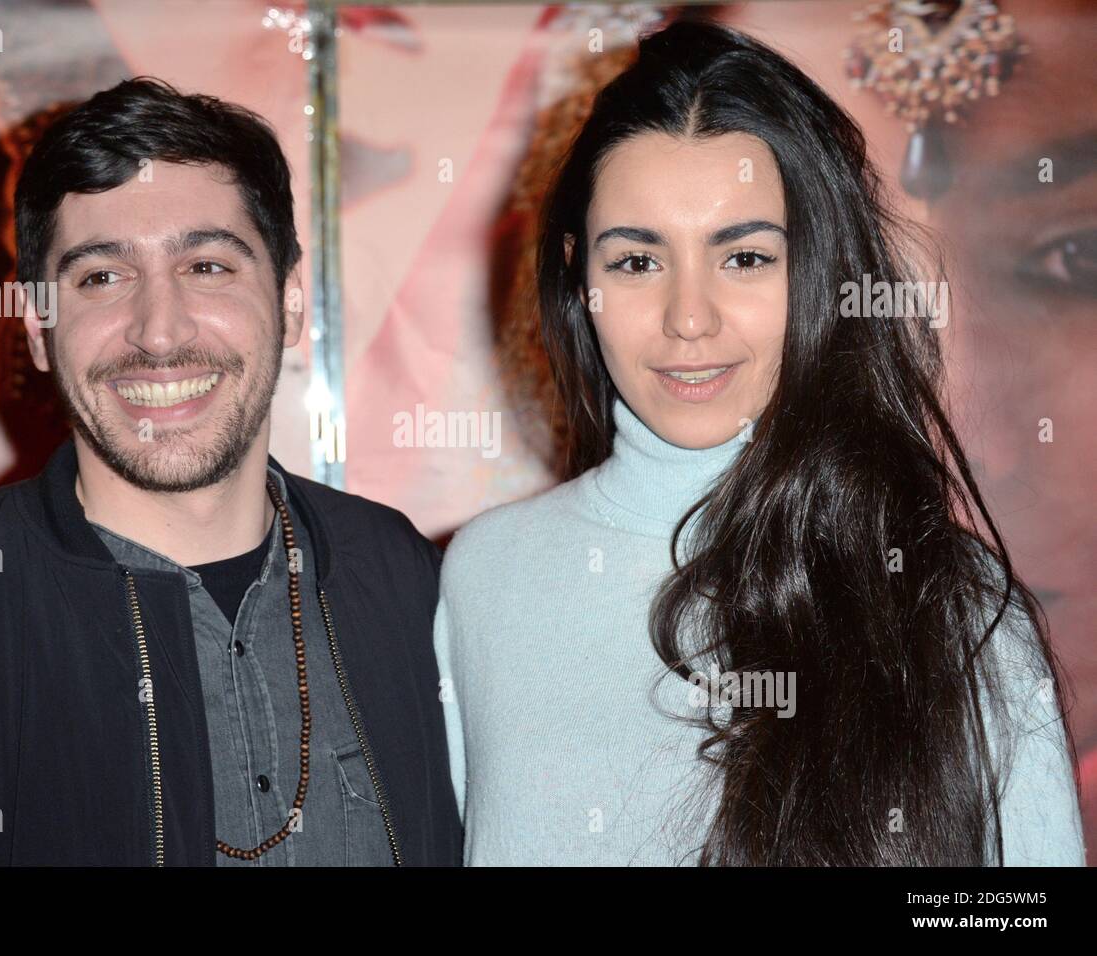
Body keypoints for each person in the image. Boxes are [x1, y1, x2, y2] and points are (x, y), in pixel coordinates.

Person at [432, 20, 1084, 866]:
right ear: (576, 276)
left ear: (818, 274)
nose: (689, 318)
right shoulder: (488, 576)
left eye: (743, 258)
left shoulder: (945, 598)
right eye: (637, 262)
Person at [0, 78, 460, 866]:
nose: (159, 332)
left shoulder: (406, 580)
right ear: (39, 329)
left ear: (288, 303)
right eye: (101, 277)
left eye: (208, 266)